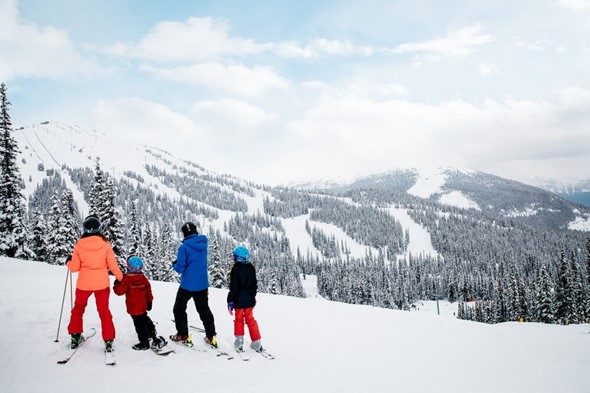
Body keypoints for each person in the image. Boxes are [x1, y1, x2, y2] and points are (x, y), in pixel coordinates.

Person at [66, 215, 123, 352]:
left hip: (83, 284)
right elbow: (113, 265)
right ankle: (108, 340)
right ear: (99, 229)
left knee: (78, 309)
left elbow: (74, 268)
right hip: (101, 284)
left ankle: (75, 335)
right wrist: (121, 278)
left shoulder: (79, 245)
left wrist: (68, 261)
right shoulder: (105, 244)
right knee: (104, 311)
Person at [170, 222, 217, 347]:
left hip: (188, 285)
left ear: (184, 233)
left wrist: (174, 264)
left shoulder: (184, 248)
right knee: (204, 309)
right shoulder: (203, 243)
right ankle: (211, 336)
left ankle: (183, 334)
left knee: (179, 308)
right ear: (196, 231)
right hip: (202, 284)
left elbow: (180, 268)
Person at [113, 255, 166, 351]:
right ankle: (151, 332)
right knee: (144, 318)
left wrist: (116, 284)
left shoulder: (127, 280)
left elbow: (119, 291)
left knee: (139, 325)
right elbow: (148, 291)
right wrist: (150, 301)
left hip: (133, 308)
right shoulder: (143, 278)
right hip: (142, 306)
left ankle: (144, 342)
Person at [227, 245, 264, 352]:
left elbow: (234, 287)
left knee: (239, 320)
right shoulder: (251, 268)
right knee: (250, 320)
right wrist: (253, 297)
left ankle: (239, 342)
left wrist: (230, 301)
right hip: (249, 301)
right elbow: (254, 285)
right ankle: (256, 342)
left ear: (237, 257)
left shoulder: (236, 269)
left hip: (238, 300)